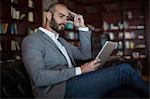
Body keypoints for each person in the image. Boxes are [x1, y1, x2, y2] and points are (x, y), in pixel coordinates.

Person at [21, 3, 149, 98]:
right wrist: (80, 70)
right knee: (123, 69)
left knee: (127, 94)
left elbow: (84, 54)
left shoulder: (61, 41)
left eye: (66, 18)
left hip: (76, 82)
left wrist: (82, 27)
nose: (65, 21)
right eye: (61, 16)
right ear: (49, 16)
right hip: (59, 92)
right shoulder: (32, 40)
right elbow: (38, 77)